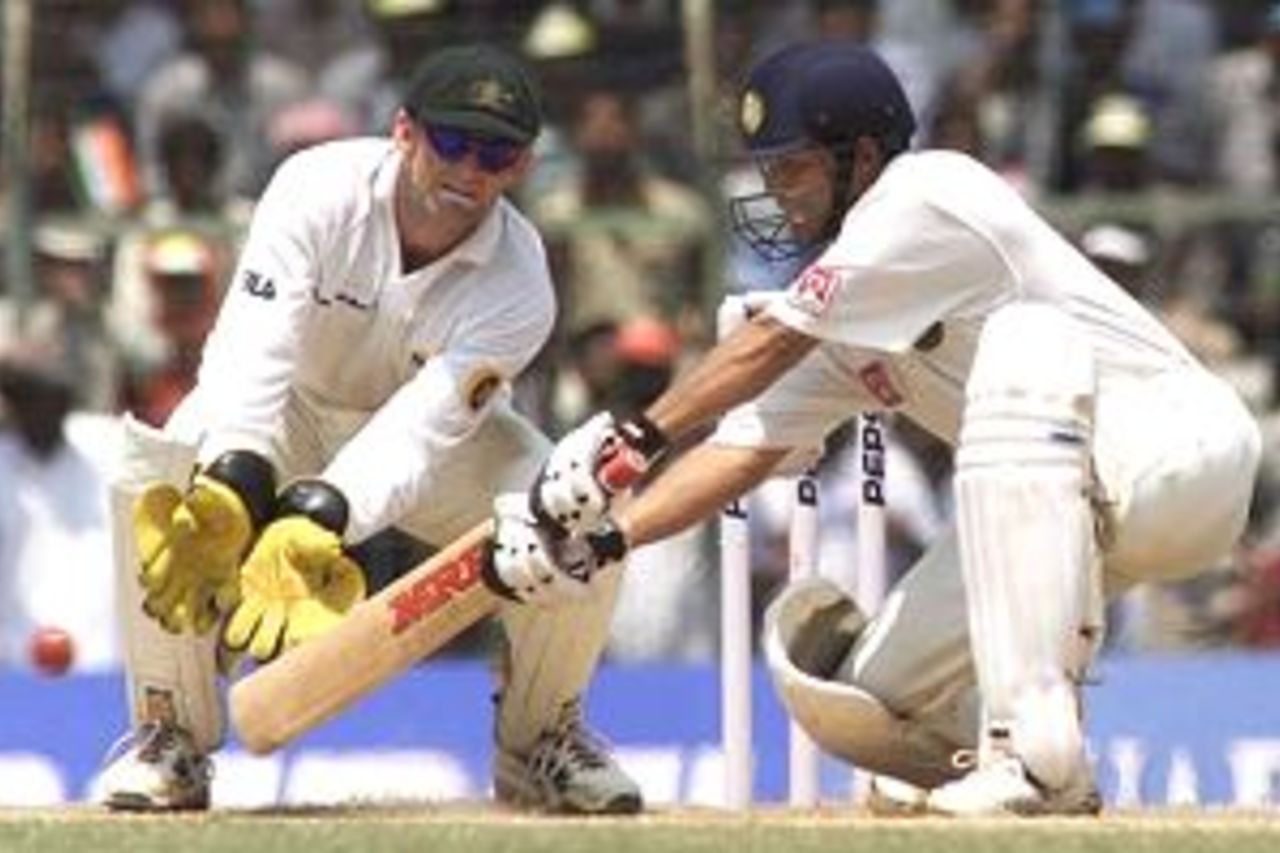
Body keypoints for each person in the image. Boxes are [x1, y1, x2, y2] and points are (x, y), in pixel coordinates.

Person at [485, 41, 1261, 817]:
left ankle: (1036, 758)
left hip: (1178, 452)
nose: (775, 193)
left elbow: (771, 341)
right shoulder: (846, 324)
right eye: (766, 172)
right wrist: (602, 541)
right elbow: (738, 450)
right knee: (859, 697)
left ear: (860, 155)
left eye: (791, 168)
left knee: (1025, 343)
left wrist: (633, 440)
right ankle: (1019, 752)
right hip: (1078, 521)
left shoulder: (929, 190)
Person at [97, 43, 641, 816]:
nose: (468, 171)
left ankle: (540, 741)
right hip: (289, 408)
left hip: (429, 448)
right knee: (153, 471)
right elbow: (252, 352)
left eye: (496, 154)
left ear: (521, 166)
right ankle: (170, 737)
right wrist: (233, 481)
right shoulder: (315, 187)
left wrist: (327, 514)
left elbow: (422, 430)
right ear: (404, 132)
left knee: (577, 515)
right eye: (452, 142)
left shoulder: (520, 280)